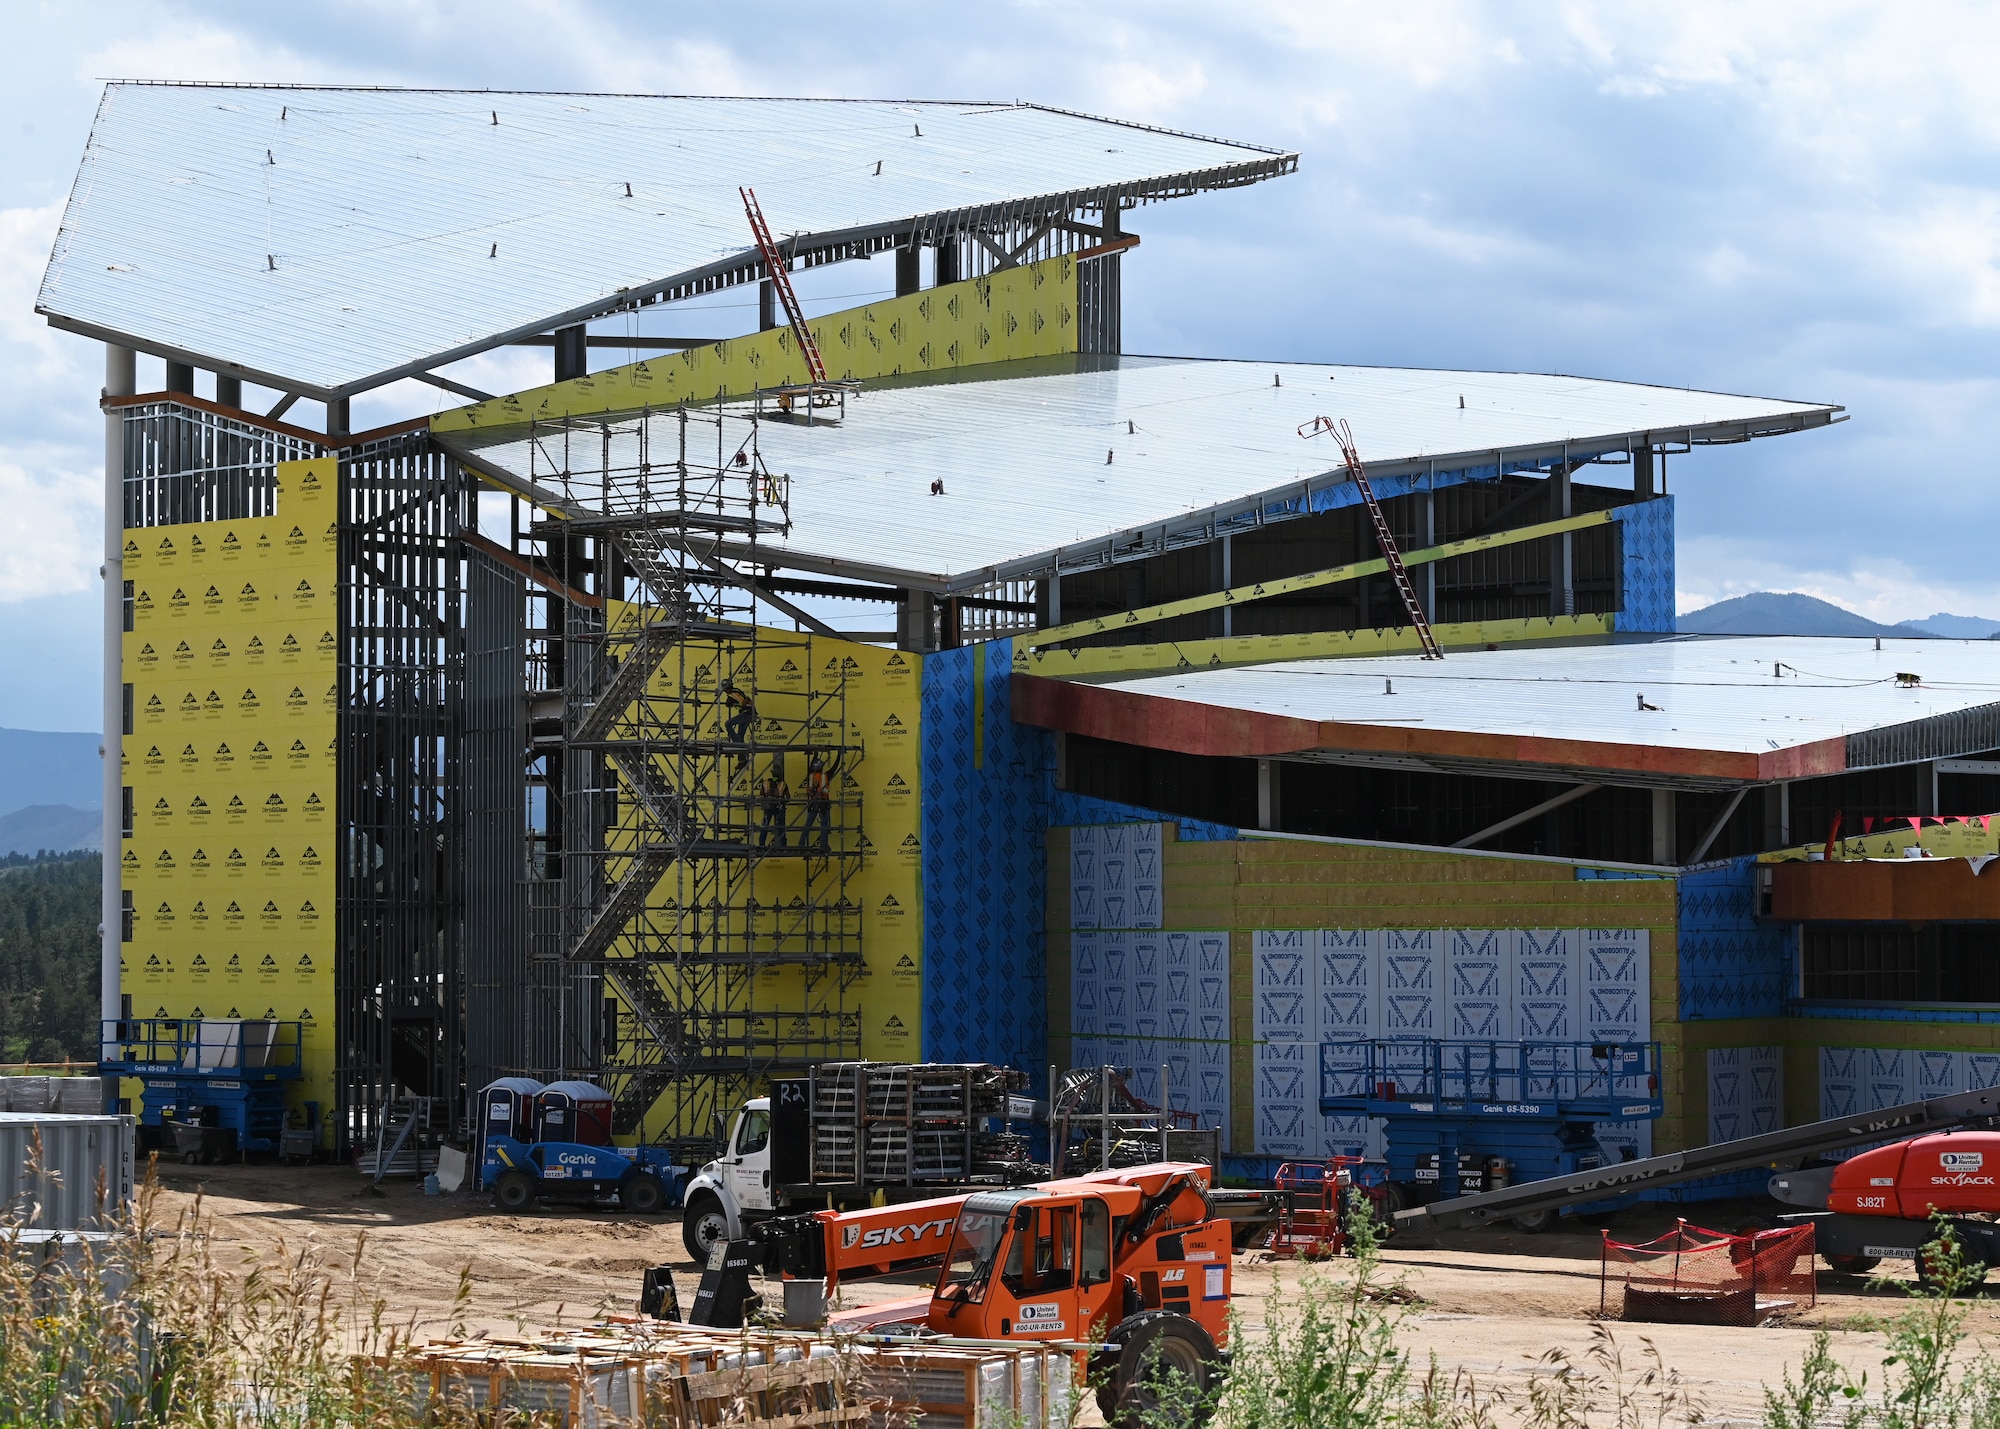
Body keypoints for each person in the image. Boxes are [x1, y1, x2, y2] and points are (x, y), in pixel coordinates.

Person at [803, 755, 834, 851]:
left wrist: (814, 755)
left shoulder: (811, 775)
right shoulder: (826, 775)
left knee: (808, 825)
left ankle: (801, 843)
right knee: (824, 825)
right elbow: (834, 768)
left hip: (813, 803)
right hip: (824, 804)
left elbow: (809, 768)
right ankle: (823, 845)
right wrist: (839, 756)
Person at [756, 761, 789, 849]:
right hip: (779, 808)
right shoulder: (783, 783)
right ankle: (784, 847)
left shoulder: (766, 782)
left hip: (768, 807)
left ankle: (761, 845)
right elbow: (787, 797)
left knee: (765, 826)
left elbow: (761, 795)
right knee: (781, 827)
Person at [721, 680, 755, 744]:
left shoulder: (732, 694)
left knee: (728, 724)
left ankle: (738, 744)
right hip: (750, 713)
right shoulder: (737, 690)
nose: (724, 691)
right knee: (740, 735)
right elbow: (746, 699)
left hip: (746, 713)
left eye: (724, 690)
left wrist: (729, 701)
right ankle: (742, 752)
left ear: (726, 689)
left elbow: (731, 704)